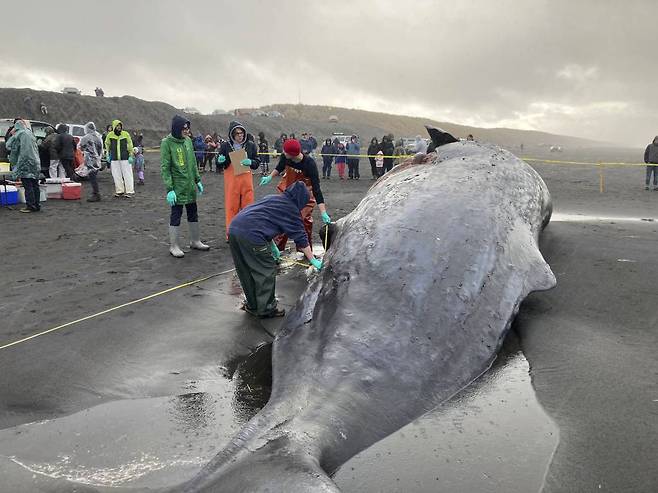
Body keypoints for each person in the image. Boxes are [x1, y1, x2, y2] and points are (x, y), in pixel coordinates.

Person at [228, 181, 322, 318]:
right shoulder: (291, 210)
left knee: (245, 269)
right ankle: (266, 309)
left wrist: (272, 245)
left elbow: (262, 220)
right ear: (300, 200)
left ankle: (253, 305)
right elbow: (301, 238)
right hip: (252, 236)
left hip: (234, 229)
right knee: (264, 269)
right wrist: (313, 259)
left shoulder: (272, 198)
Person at [259, 138, 331, 251]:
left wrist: (323, 212)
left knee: (303, 220)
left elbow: (316, 189)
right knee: (282, 218)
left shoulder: (309, 164)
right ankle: (278, 248)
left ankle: (304, 250)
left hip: (305, 193)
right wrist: (270, 176)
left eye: (285, 151)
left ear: (292, 154)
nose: (283, 152)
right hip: (287, 189)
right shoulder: (285, 157)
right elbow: (279, 167)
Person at [160, 115, 209, 258]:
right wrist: (169, 189)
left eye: (188, 128)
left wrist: (197, 180)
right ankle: (174, 245)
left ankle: (195, 240)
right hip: (177, 186)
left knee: (193, 212)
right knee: (176, 214)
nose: (187, 131)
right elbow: (165, 167)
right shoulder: (167, 143)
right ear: (177, 129)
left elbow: (193, 162)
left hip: (189, 185)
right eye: (184, 128)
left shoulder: (188, 141)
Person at [217, 121, 261, 236]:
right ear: (232, 134)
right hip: (231, 182)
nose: (240, 135)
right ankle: (231, 234)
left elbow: (257, 162)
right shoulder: (226, 146)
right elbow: (220, 164)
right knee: (231, 207)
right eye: (237, 133)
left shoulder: (250, 145)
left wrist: (251, 161)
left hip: (246, 181)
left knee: (249, 207)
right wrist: (220, 161)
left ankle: (248, 232)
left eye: (241, 133)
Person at [6, 119, 41, 212]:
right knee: (35, 185)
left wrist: (12, 135)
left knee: (28, 185)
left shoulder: (19, 134)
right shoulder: (30, 133)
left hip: (25, 162)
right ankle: (37, 205)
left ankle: (30, 206)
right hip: (35, 162)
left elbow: (9, 146)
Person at [105, 119, 135, 197]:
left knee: (127, 175)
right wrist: (107, 155)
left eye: (120, 126)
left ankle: (129, 191)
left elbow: (130, 145)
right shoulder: (110, 135)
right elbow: (107, 145)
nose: (119, 127)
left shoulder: (125, 134)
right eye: (117, 126)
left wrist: (131, 155)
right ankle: (119, 191)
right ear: (114, 126)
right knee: (116, 175)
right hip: (114, 159)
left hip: (125, 158)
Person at [79, 122, 104, 202]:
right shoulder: (98, 137)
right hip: (97, 160)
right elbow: (100, 149)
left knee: (92, 178)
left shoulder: (86, 137)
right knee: (93, 177)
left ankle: (96, 194)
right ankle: (95, 193)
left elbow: (81, 147)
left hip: (90, 160)